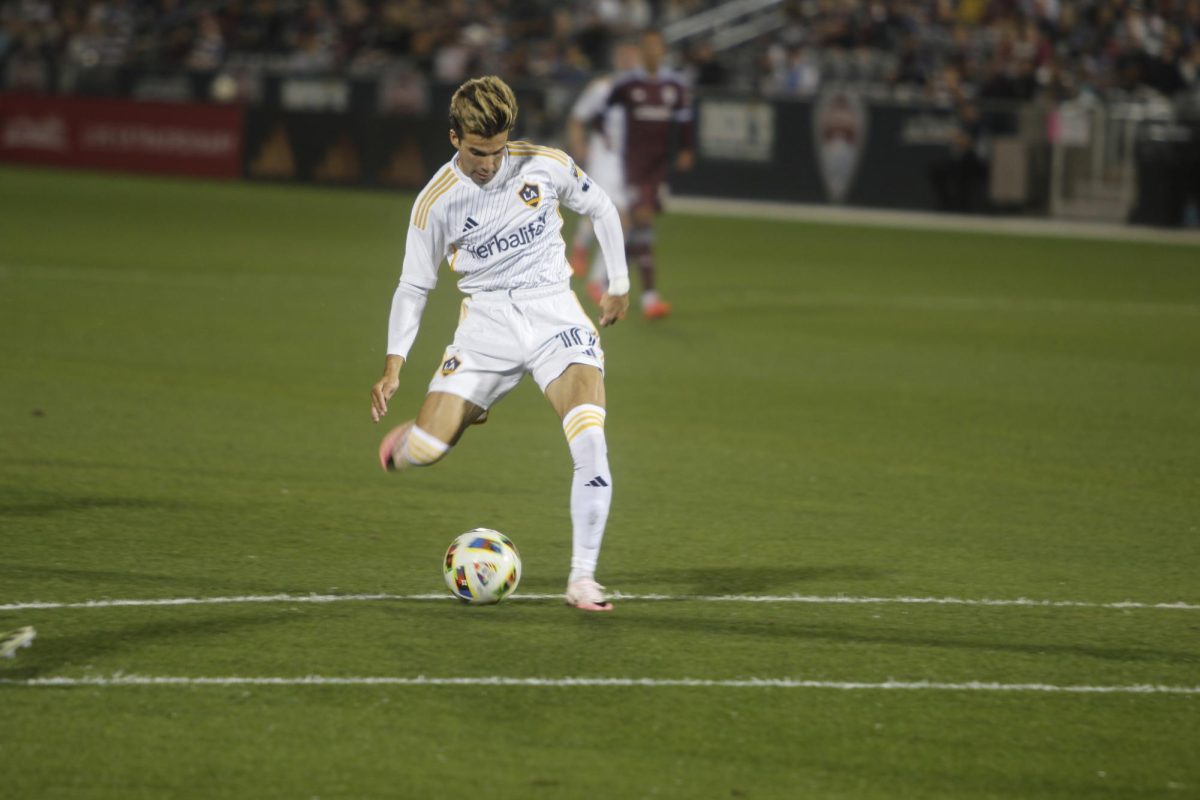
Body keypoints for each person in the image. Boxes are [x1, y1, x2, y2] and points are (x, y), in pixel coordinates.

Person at [369, 76, 630, 612]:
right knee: (429, 448)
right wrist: (394, 367)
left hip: (555, 312)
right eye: (475, 151)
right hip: (486, 328)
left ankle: (583, 579)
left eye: (496, 150)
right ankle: (412, 443)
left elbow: (602, 208)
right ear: (453, 138)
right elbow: (414, 287)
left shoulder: (545, 163)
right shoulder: (435, 203)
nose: (488, 163)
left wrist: (620, 285)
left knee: (591, 443)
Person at [592, 29, 695, 320]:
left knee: (639, 229)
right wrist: (605, 138)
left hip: (658, 166)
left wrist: (686, 149)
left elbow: (685, 121)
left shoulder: (675, 85)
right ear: (641, 51)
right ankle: (649, 297)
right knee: (642, 220)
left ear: (663, 51)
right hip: (633, 165)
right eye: (647, 47)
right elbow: (600, 114)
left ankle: (608, 282)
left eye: (657, 47)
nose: (652, 52)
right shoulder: (627, 84)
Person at [566, 40, 642, 299]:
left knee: (624, 223)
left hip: (626, 162)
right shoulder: (601, 88)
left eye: (634, 56)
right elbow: (577, 117)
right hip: (603, 156)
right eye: (625, 56)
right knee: (605, 212)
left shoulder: (641, 93)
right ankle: (584, 254)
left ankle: (594, 273)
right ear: (617, 59)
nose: (630, 61)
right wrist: (579, 144)